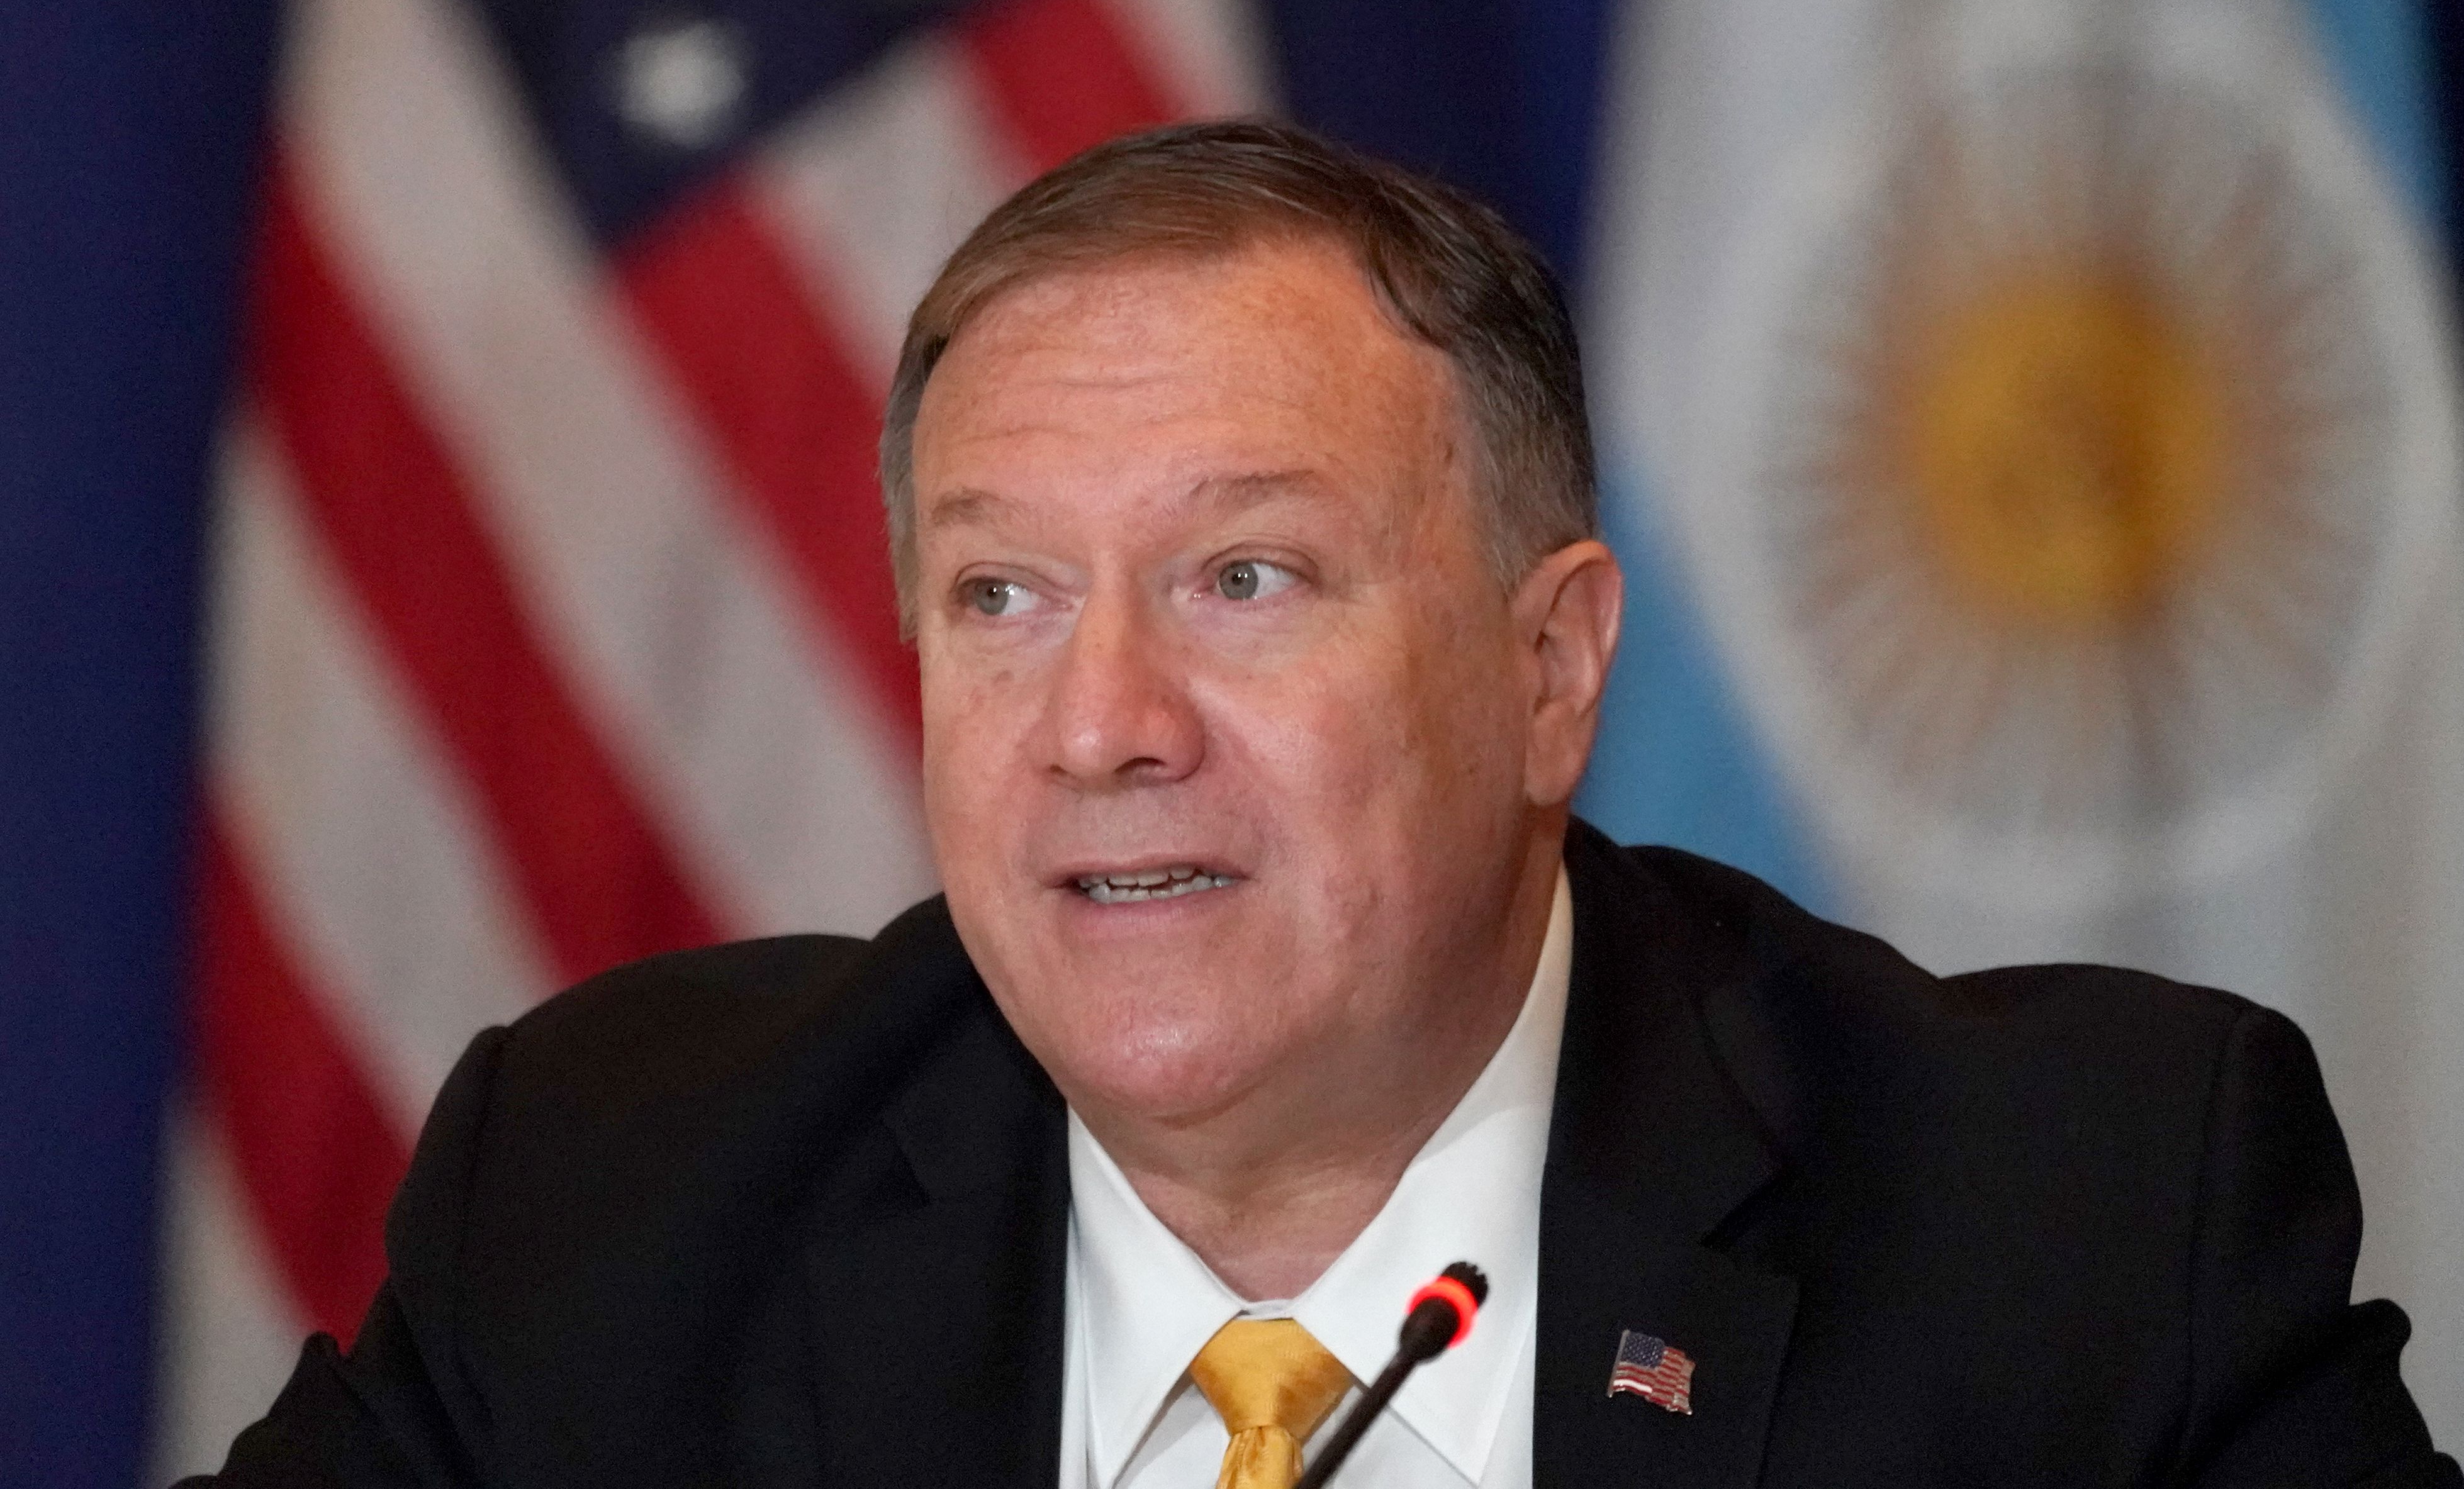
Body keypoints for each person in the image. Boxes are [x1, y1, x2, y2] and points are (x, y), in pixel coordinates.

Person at [189, 119, 2455, 1488]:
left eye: (1241, 577)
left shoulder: (2078, 1236)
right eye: (997, 593)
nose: (1099, 723)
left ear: (1546, 665)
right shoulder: (607, 1194)